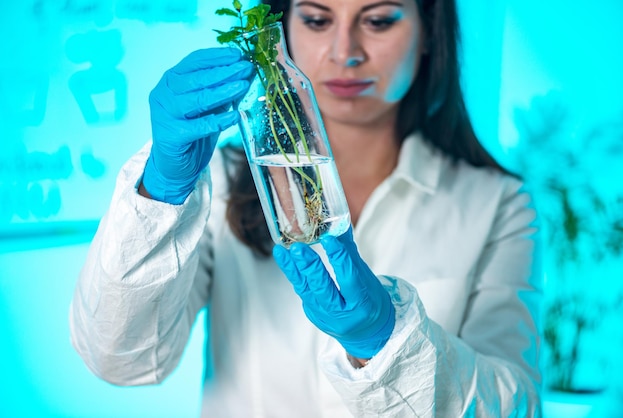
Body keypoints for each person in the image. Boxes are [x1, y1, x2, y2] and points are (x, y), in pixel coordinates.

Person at [69, 0, 544, 416]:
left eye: (378, 20)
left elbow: (517, 405)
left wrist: (385, 343)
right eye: (317, 19)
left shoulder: (498, 204)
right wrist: (161, 191)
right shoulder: (223, 178)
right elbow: (120, 361)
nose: (345, 51)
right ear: (283, 30)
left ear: (428, 31)